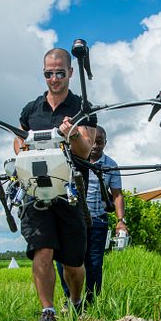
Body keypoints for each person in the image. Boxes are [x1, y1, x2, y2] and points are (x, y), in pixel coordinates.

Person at [14, 47, 97, 321]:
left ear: (71, 73)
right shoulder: (31, 109)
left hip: (70, 191)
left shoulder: (82, 108)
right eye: (49, 74)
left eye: (60, 73)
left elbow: (87, 151)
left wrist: (73, 133)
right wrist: (22, 151)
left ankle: (75, 303)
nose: (54, 79)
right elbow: (18, 139)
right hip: (36, 191)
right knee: (42, 249)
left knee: (73, 261)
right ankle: (47, 312)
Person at [56, 126, 127, 305]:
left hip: (97, 220)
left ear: (105, 143)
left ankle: (91, 301)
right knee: (65, 260)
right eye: (92, 142)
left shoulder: (110, 165)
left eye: (100, 142)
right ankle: (71, 299)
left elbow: (117, 194)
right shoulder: (71, 159)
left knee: (94, 264)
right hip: (72, 219)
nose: (95, 146)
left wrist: (121, 221)